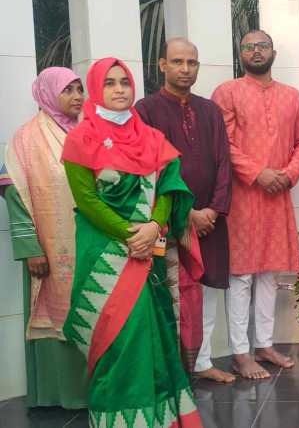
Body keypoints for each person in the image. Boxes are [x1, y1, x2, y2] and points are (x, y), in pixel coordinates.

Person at [61, 57, 202, 426]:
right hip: (106, 258)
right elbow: (87, 201)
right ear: (96, 89)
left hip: (148, 251)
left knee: (157, 333)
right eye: (109, 83)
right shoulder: (80, 139)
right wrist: (133, 235)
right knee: (121, 338)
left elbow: (169, 187)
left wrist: (154, 226)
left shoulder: (152, 138)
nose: (119, 89)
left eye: (124, 81)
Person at [211, 30, 299, 379]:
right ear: (240, 55)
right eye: (249, 47)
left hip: (277, 196)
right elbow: (222, 144)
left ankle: (264, 345)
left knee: (269, 273)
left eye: (263, 46)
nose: (256, 51)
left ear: (273, 53)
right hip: (241, 197)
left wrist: (288, 173)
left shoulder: (291, 96)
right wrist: (258, 174)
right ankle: (240, 353)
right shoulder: (227, 92)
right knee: (241, 275)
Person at [135, 38, 235, 383]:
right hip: (170, 220)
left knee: (206, 288)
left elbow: (224, 163)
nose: (185, 69)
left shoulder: (210, 110)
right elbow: (150, 167)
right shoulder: (145, 110)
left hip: (210, 221)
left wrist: (214, 211)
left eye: (191, 63)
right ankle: (172, 367)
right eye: (177, 62)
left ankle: (202, 362)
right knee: (172, 290)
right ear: (162, 65)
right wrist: (188, 212)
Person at [0, 67, 90, 409]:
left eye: (80, 89)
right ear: (48, 93)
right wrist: (30, 249)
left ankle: (97, 392)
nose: (78, 96)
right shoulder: (26, 138)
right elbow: (15, 196)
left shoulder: (90, 131)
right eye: (68, 90)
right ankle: (58, 395)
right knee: (56, 316)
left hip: (92, 243)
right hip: (49, 250)